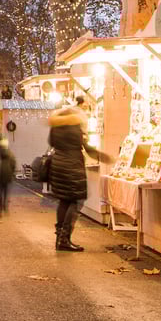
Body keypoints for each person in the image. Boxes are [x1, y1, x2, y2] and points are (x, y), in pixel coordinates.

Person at [48, 105, 107, 252]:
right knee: (75, 200)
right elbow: (86, 147)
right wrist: (104, 157)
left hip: (58, 165)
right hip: (72, 166)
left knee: (64, 200)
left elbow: (51, 143)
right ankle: (64, 239)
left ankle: (59, 238)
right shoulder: (76, 127)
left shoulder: (55, 127)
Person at [0, 138, 16, 218]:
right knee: (6, 192)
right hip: (8, 175)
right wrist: (12, 173)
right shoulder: (11, 154)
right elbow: (13, 164)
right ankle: (5, 207)